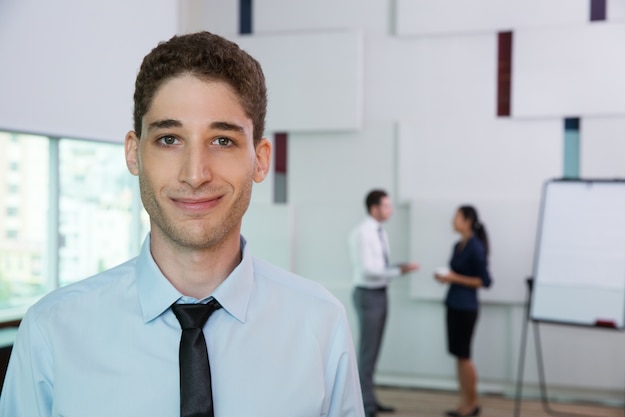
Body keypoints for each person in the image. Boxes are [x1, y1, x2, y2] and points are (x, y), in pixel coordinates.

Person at [0, 31, 364, 417]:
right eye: (170, 138)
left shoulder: (320, 322)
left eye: (222, 140)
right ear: (134, 153)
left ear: (259, 160)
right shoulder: (52, 332)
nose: (195, 174)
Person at [349, 189, 419, 417]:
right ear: (374, 208)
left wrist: (399, 266)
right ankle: (364, 406)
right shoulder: (363, 233)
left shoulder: (380, 232)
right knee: (367, 352)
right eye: (386, 206)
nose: (390, 210)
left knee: (374, 351)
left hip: (380, 293)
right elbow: (369, 271)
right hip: (368, 295)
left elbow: (381, 265)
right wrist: (398, 271)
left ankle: (370, 400)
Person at [434, 205, 492, 417]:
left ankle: (473, 403)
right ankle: (464, 402)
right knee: (458, 356)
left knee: (465, 356)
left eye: (456, 217)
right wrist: (446, 278)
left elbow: (485, 281)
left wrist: (453, 278)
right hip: (454, 304)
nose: (452, 220)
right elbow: (457, 274)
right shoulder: (458, 245)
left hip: (467, 308)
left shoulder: (475, 247)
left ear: (467, 220)